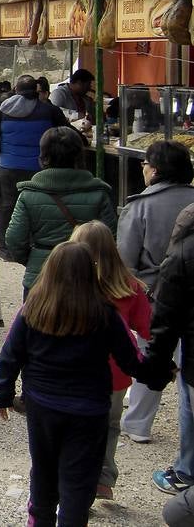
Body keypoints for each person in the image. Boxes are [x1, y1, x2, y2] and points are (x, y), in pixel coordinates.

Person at [0, 243, 142, 527]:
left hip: (43, 404)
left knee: (44, 470)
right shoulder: (104, 313)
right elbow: (130, 360)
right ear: (90, 273)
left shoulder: (33, 308)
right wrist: (159, 371)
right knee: (78, 479)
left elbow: (10, 354)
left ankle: (39, 520)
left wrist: (3, 395)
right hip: (89, 408)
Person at [68, 220, 152, 501]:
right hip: (115, 372)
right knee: (109, 425)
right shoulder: (129, 286)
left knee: (75, 427)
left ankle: (77, 482)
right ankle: (102, 478)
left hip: (74, 370)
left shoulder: (65, 285)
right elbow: (148, 328)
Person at [117, 141, 194, 444]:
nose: (143, 168)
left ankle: (138, 424)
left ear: (156, 169)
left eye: (146, 163)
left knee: (153, 353)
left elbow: (125, 260)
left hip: (155, 293)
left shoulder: (140, 206)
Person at [6, 126, 117, 295]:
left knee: (36, 320)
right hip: (86, 278)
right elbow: (112, 238)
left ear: (43, 156)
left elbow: (14, 239)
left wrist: (33, 259)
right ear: (79, 155)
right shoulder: (99, 193)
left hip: (40, 276)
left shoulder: (28, 195)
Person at [139, 202, 194, 498]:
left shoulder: (185, 244)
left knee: (189, 404)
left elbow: (166, 317)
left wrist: (156, 369)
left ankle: (186, 472)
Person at [0, 75, 71, 256]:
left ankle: (6, 248)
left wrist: (0, 154)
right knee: (38, 206)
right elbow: (66, 132)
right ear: (36, 91)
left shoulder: (2, 111)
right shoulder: (49, 110)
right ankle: (36, 245)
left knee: (7, 206)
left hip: (8, 166)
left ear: (16, 91)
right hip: (38, 167)